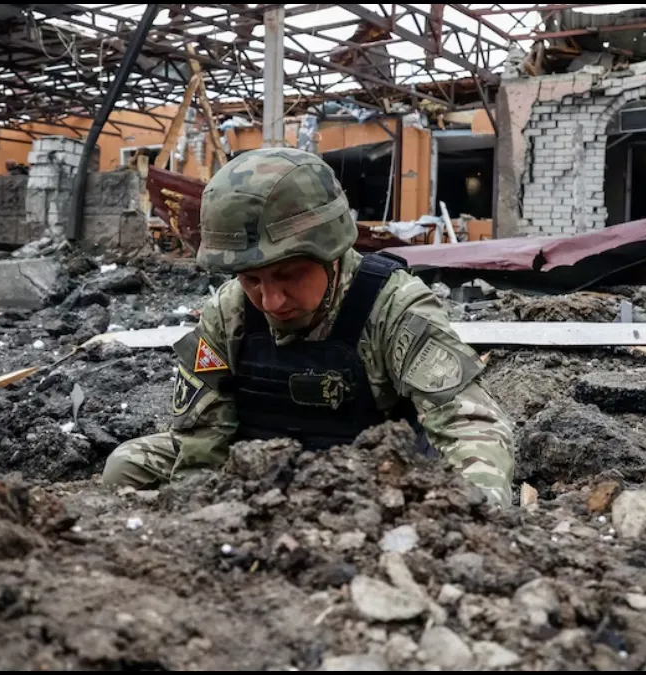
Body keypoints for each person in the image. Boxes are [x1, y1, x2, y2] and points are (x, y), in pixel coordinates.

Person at [99, 148, 517, 505]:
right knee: (127, 467)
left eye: (290, 275)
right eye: (252, 280)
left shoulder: (393, 307)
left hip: (366, 478)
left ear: (332, 254)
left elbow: (471, 425)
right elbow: (203, 434)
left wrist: (474, 510)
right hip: (256, 465)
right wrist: (204, 514)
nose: (270, 301)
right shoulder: (230, 311)